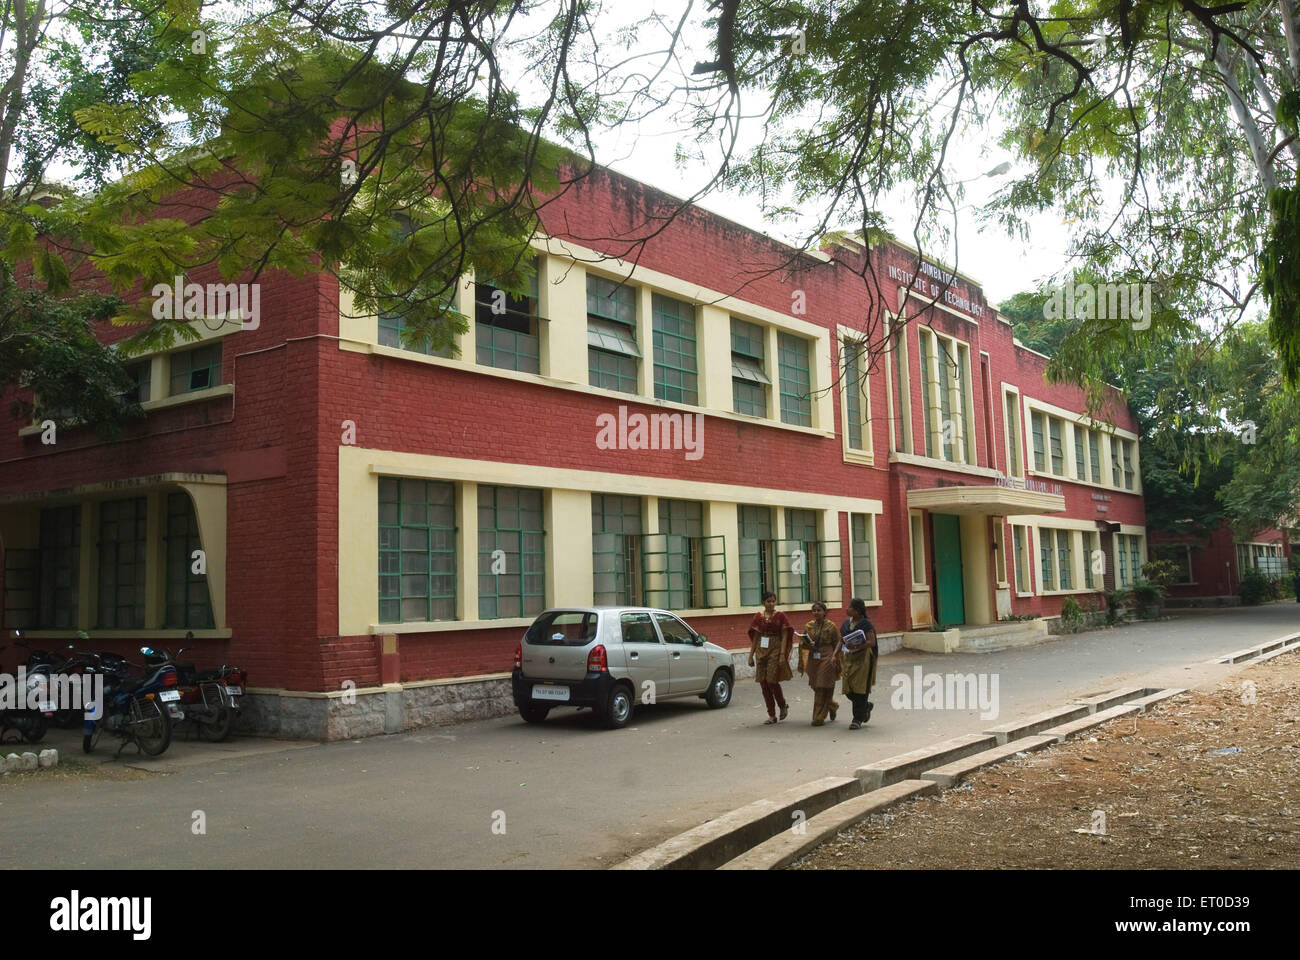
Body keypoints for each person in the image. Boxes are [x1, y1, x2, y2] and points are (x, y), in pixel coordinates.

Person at [748, 591, 793, 724]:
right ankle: (771, 714)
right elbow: (755, 637)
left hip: (775, 647)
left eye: (773, 601)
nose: (771, 604)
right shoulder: (758, 616)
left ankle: (782, 705)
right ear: (763, 602)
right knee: (763, 683)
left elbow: (785, 635)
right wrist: (751, 656)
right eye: (769, 601)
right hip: (761, 649)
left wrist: (782, 654)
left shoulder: (781, 616)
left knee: (772, 680)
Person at [801, 601, 842, 726]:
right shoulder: (808, 626)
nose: (816, 613)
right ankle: (832, 705)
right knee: (815, 684)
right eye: (814, 610)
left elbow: (838, 642)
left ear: (825, 612)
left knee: (823, 685)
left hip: (827, 656)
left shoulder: (831, 626)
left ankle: (818, 716)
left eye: (819, 610)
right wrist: (808, 644)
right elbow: (803, 642)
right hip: (814, 657)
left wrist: (836, 658)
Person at [840, 598, 878, 730]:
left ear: (857, 610)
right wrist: (835, 654)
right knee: (849, 689)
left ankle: (857, 719)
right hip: (849, 658)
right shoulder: (846, 624)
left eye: (849, 607)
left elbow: (871, 642)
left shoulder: (866, 624)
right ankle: (866, 706)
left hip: (864, 659)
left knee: (860, 688)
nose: (847, 609)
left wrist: (858, 645)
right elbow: (841, 640)